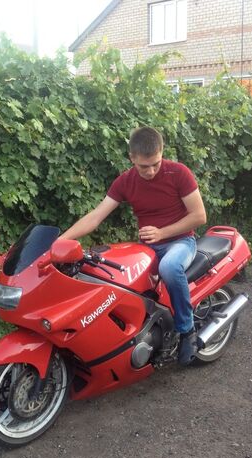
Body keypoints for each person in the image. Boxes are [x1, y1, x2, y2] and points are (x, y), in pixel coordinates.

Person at [60, 126, 207, 366]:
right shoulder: (125, 181)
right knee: (112, 278)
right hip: (147, 248)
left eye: (155, 164)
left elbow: (199, 216)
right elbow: (95, 217)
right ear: (132, 158)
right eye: (143, 166)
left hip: (181, 241)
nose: (150, 171)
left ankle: (187, 330)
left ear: (162, 153)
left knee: (169, 268)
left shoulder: (179, 173)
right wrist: (59, 243)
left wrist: (162, 232)